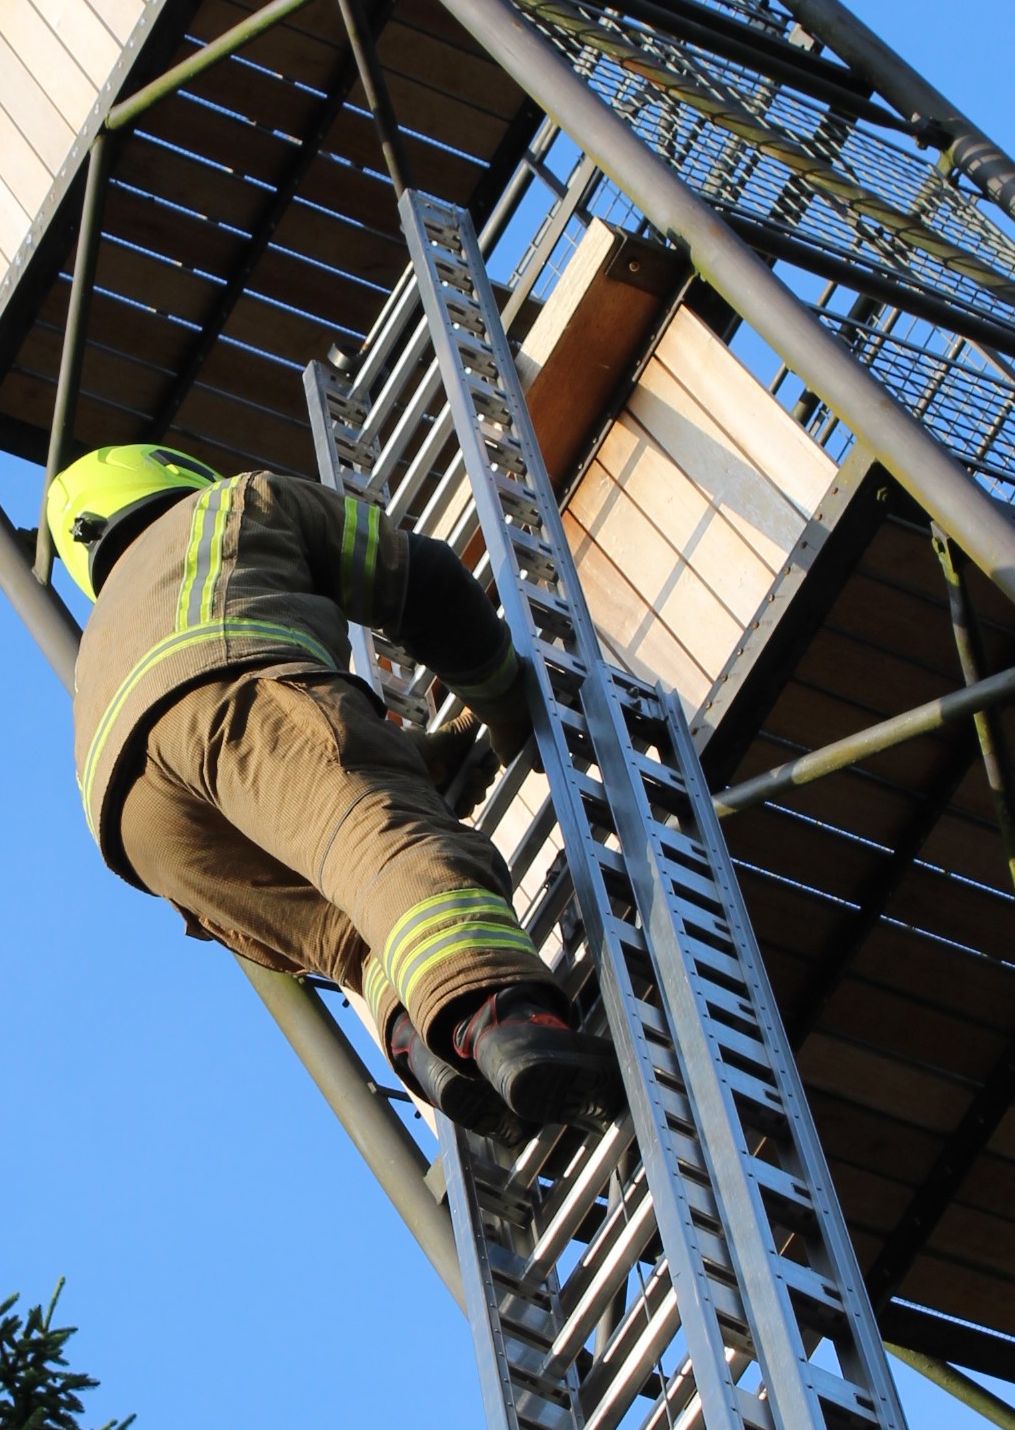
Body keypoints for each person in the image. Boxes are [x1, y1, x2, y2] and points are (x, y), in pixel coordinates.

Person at [47, 442, 622, 1133]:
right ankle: (502, 1016)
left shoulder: (96, 649)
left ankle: (432, 1053)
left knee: (349, 938)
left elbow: (223, 761)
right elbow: (422, 583)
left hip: (142, 833)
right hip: (230, 698)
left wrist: (409, 760)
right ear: (171, 471)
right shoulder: (234, 502)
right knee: (381, 847)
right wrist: (504, 705)